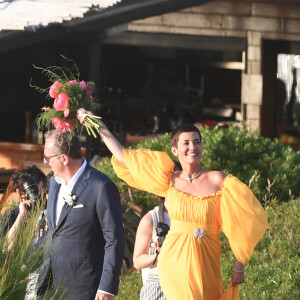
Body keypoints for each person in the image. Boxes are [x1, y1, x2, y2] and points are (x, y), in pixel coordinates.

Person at [77, 111, 269, 300]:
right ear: (175, 150)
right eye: (186, 143)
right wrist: (97, 125)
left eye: (197, 142)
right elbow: (124, 156)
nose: (192, 147)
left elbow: (244, 222)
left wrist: (239, 265)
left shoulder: (218, 180)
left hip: (208, 262)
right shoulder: (168, 179)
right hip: (174, 261)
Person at [38, 129, 125, 300]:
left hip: (84, 288)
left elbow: (114, 239)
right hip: (50, 286)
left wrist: (107, 287)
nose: (45, 161)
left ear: (63, 158)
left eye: (48, 157)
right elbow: (52, 231)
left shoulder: (101, 187)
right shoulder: (54, 183)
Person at [133, 161, 181, 300]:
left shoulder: (191, 216)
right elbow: (137, 261)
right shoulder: (150, 220)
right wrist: (158, 257)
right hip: (158, 288)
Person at [1, 165, 47, 249]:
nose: (20, 194)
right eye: (18, 188)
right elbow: (6, 249)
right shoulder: (10, 217)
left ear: (41, 184)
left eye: (25, 187)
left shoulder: (53, 211)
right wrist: (21, 216)